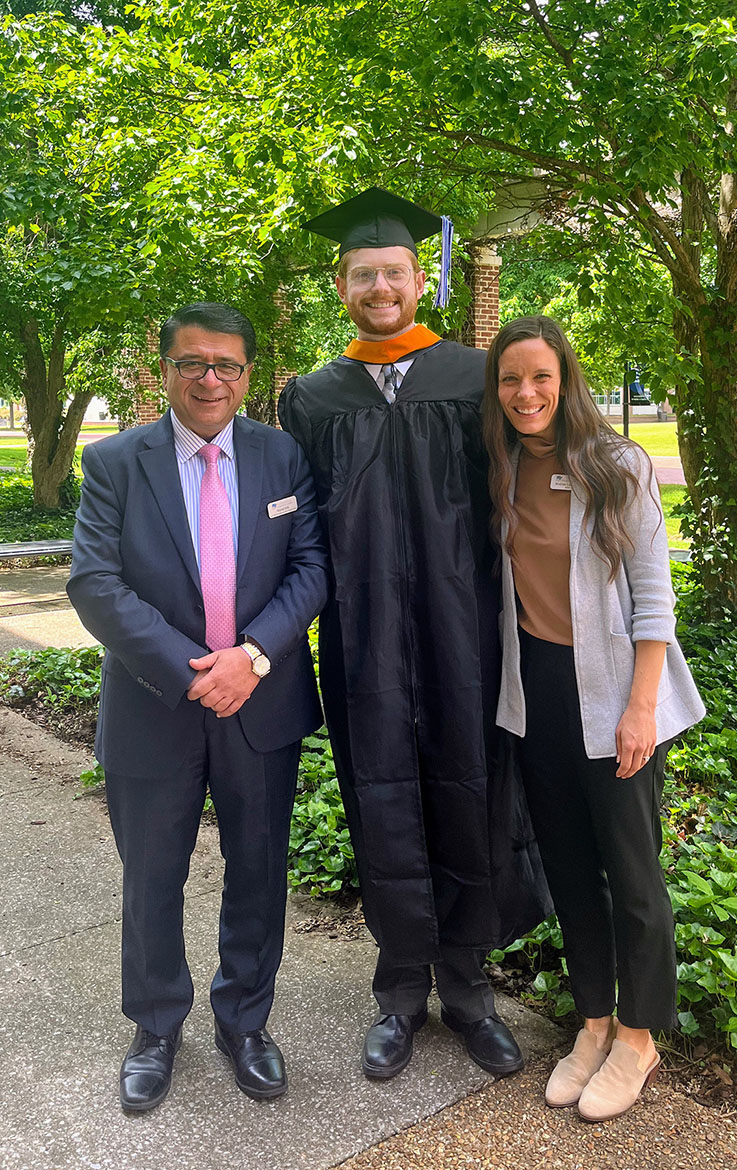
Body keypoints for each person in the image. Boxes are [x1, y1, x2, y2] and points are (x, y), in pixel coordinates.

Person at [278, 189, 551, 1081]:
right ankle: (399, 989)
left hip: (465, 629)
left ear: (419, 278)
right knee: (382, 794)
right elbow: (304, 527)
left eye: (394, 272)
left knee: (470, 792)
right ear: (343, 282)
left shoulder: (474, 377)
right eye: (365, 275)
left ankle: (468, 987)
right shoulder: (314, 396)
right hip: (361, 637)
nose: (380, 288)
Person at [67, 302, 328, 1112]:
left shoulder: (283, 455)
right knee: (151, 877)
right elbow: (94, 584)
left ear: (249, 376)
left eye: (227, 366)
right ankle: (154, 1026)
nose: (210, 379)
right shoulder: (115, 462)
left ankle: (245, 1021)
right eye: (192, 364)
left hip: (262, 701)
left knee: (258, 871)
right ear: (166, 370)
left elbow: (312, 567)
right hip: (155, 707)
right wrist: (195, 673)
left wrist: (250, 657)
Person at [483, 316, 705, 1122]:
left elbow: (655, 600)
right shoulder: (503, 468)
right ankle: (594, 1023)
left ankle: (640, 1037)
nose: (526, 393)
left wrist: (641, 708)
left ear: (565, 377)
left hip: (616, 692)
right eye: (510, 380)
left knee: (633, 877)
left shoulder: (618, 467)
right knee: (570, 871)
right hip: (537, 692)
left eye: (540, 376)